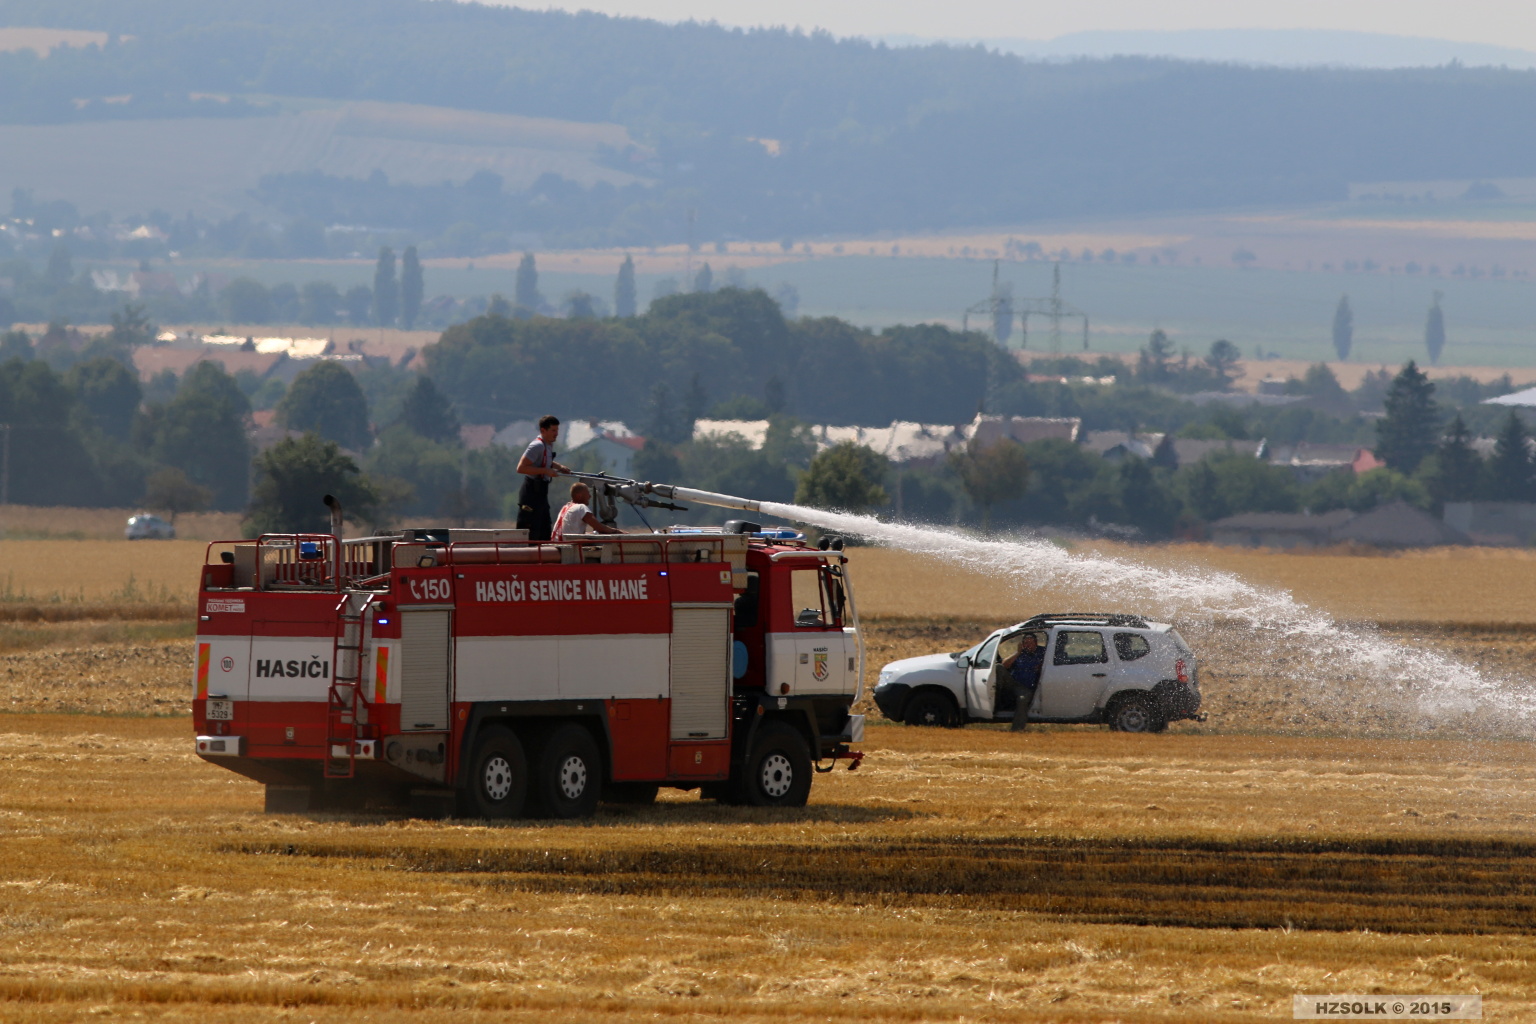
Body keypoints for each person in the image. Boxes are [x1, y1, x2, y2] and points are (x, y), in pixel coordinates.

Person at [515, 414, 570, 541]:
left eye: (557, 430)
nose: (556, 434)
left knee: (544, 528)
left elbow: (545, 461)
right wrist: (545, 471)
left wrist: (559, 467)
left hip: (541, 492)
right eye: (553, 431)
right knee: (531, 529)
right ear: (543, 431)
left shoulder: (548, 445)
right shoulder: (537, 446)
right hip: (531, 492)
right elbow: (521, 468)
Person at [1000, 633, 1044, 732]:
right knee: (998, 668)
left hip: (1027, 688)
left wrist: (1041, 667)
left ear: (1036, 643)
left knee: (1022, 699)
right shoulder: (1020, 653)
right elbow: (1004, 665)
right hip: (1014, 684)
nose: (1028, 645)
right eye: (1025, 643)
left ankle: (1017, 729)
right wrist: (1017, 653)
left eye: (1030, 643)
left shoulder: (1043, 652)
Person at [553, 482, 623, 541]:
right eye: (587, 493)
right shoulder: (581, 507)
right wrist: (616, 531)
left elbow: (570, 530)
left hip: (558, 543)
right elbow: (599, 527)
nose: (590, 496)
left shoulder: (565, 507)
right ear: (579, 496)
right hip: (569, 548)